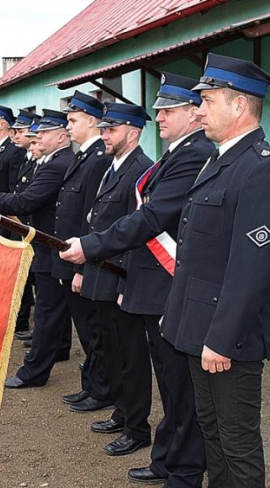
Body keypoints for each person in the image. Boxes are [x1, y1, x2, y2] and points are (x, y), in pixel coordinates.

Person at [60, 73, 211, 486]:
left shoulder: (193, 155)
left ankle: (182, 470)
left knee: (179, 388)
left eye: (168, 110)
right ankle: (168, 460)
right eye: (159, 110)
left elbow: (151, 218)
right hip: (147, 282)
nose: (159, 117)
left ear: (193, 115)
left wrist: (91, 247)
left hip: (166, 284)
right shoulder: (176, 154)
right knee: (168, 381)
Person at [158, 53, 270, 488]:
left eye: (207, 101)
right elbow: (197, 255)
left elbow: (252, 271)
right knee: (211, 432)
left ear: (238, 106)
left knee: (237, 443)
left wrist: (221, 339)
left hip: (226, 338)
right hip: (199, 327)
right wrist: (178, 315)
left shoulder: (263, 169)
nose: (198, 111)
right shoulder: (219, 161)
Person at [64, 102, 153, 455]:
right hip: (100, 272)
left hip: (120, 277)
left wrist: (122, 285)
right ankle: (122, 410)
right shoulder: (113, 166)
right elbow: (96, 223)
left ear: (133, 133)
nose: (105, 135)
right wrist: (84, 273)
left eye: (111, 130)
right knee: (113, 349)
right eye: (103, 129)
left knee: (132, 355)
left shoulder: (141, 169)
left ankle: (137, 426)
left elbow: (136, 234)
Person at [0, 109, 74, 388]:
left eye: (43, 133)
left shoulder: (58, 164)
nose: (38, 138)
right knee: (53, 311)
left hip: (51, 246)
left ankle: (34, 372)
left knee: (48, 312)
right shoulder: (52, 161)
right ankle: (57, 354)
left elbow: (26, 201)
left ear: (61, 136)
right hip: (46, 245)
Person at [54, 91, 111, 413]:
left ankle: (100, 389)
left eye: (73, 120)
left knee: (94, 331)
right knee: (87, 330)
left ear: (92, 121)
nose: (68, 126)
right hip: (70, 257)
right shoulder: (83, 156)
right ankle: (90, 384)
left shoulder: (98, 159)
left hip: (83, 260)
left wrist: (81, 268)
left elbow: (93, 217)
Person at [11, 112, 41, 338]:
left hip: (34, 226)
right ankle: (38, 330)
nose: (32, 140)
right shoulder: (28, 159)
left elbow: (29, 198)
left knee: (42, 288)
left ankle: (37, 329)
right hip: (23, 224)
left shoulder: (53, 163)